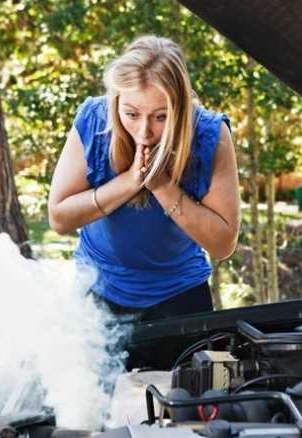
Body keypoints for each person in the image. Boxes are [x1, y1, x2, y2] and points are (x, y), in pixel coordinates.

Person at [48, 35, 240, 321]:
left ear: (181, 109)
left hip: (180, 297)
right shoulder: (93, 119)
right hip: (97, 295)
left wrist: (162, 186)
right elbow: (59, 218)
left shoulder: (210, 134)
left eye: (161, 117)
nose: (144, 131)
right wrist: (127, 183)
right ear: (116, 102)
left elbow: (223, 245)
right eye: (131, 114)